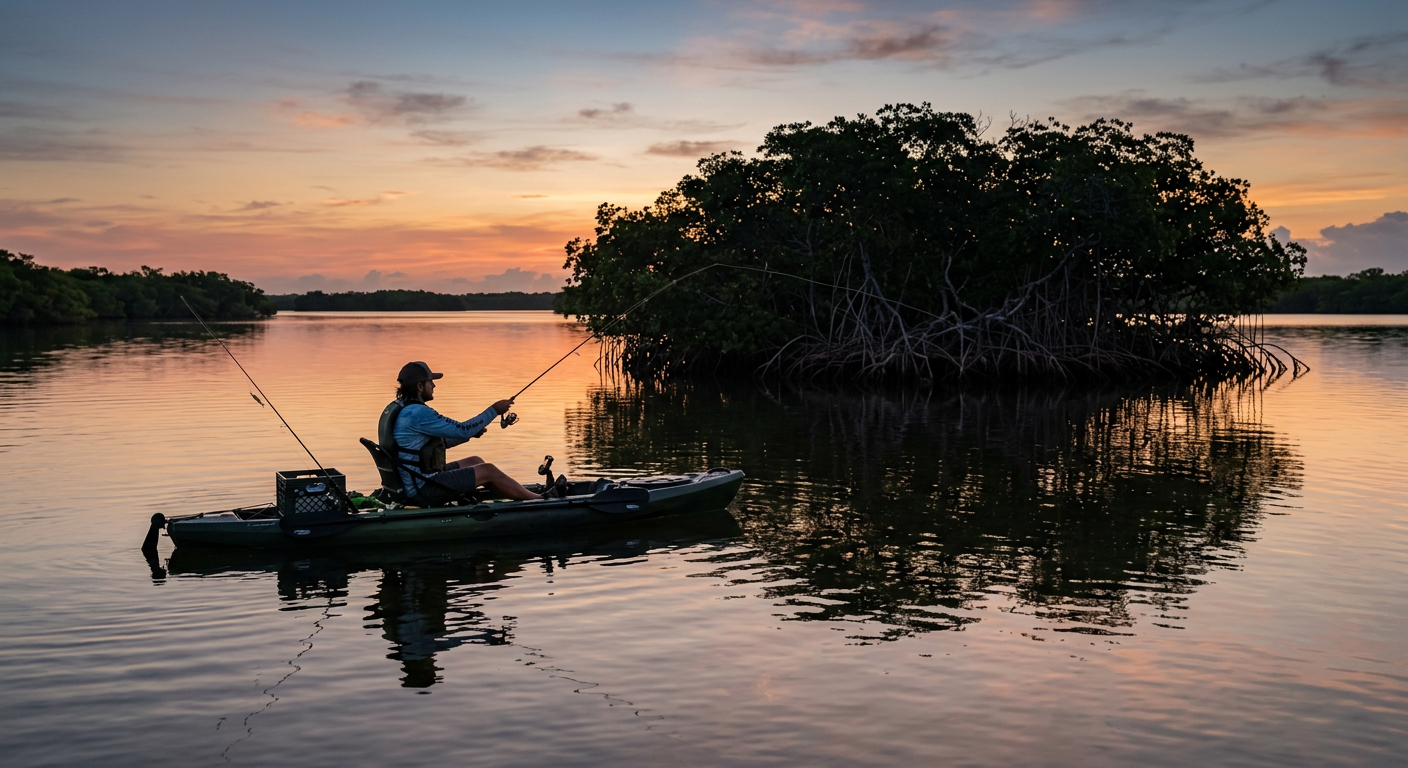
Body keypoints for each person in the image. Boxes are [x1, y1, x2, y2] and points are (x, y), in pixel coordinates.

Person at [378, 361, 562, 504]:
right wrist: (494, 410)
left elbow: (432, 444)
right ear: (420, 386)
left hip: (411, 479)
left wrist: (470, 434)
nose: (434, 385)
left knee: (475, 461)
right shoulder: (418, 413)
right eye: (430, 382)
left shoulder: (400, 408)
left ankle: (498, 493)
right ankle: (537, 500)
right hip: (423, 487)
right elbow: (461, 429)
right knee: (488, 470)